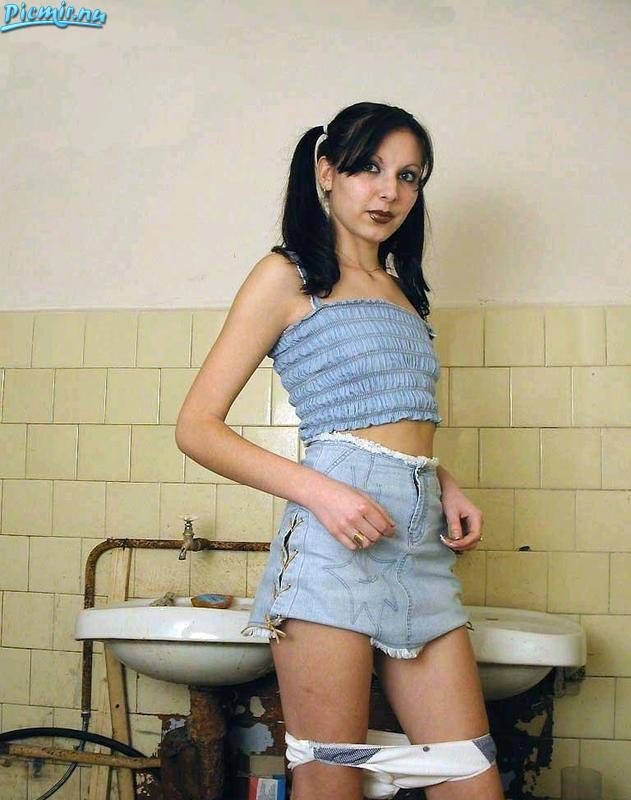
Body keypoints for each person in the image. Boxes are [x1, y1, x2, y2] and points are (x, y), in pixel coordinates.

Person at [175, 101, 505, 800]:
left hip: (419, 549)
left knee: (469, 778)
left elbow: (390, 419)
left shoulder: (403, 293)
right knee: (331, 781)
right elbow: (196, 427)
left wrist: (441, 479)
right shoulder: (286, 276)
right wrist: (319, 491)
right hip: (334, 545)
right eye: (368, 169)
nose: (389, 192)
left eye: (408, 176)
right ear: (326, 172)